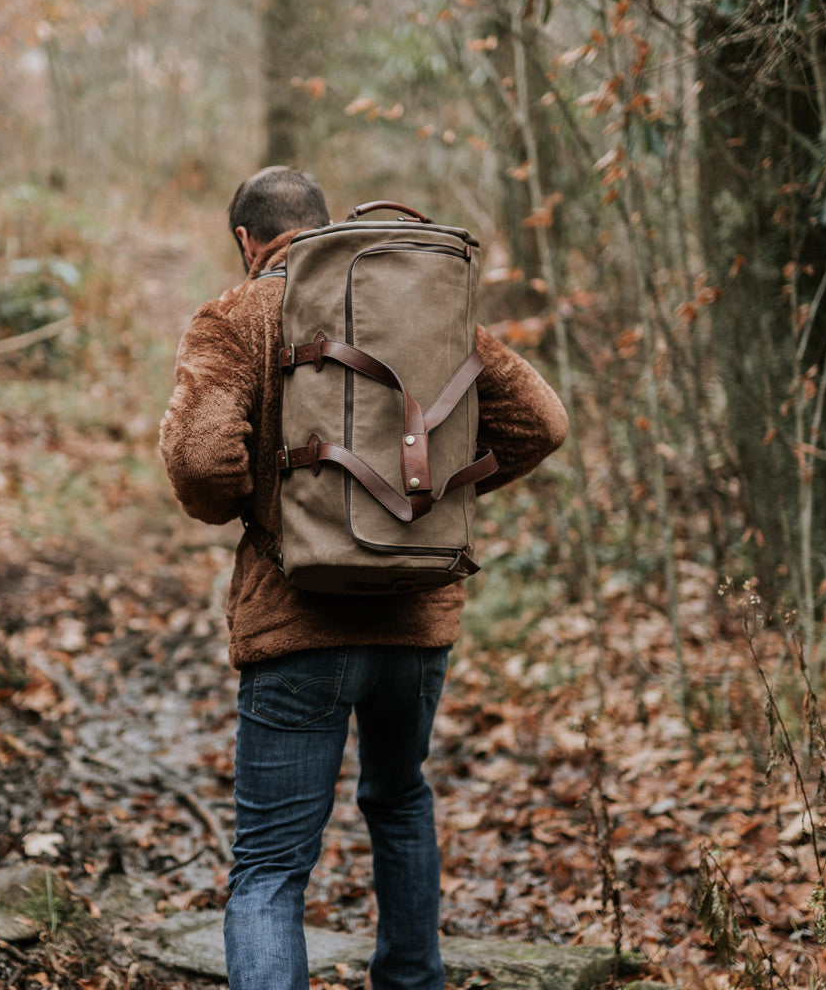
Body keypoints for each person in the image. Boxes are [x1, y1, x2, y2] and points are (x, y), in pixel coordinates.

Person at [159, 166, 568, 990]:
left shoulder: (235, 316)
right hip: (415, 620)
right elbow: (542, 423)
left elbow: (199, 460)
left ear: (247, 241)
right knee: (401, 801)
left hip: (297, 620)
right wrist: (428, 496)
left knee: (272, 867)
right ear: (321, 222)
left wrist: (268, 502)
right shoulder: (419, 304)